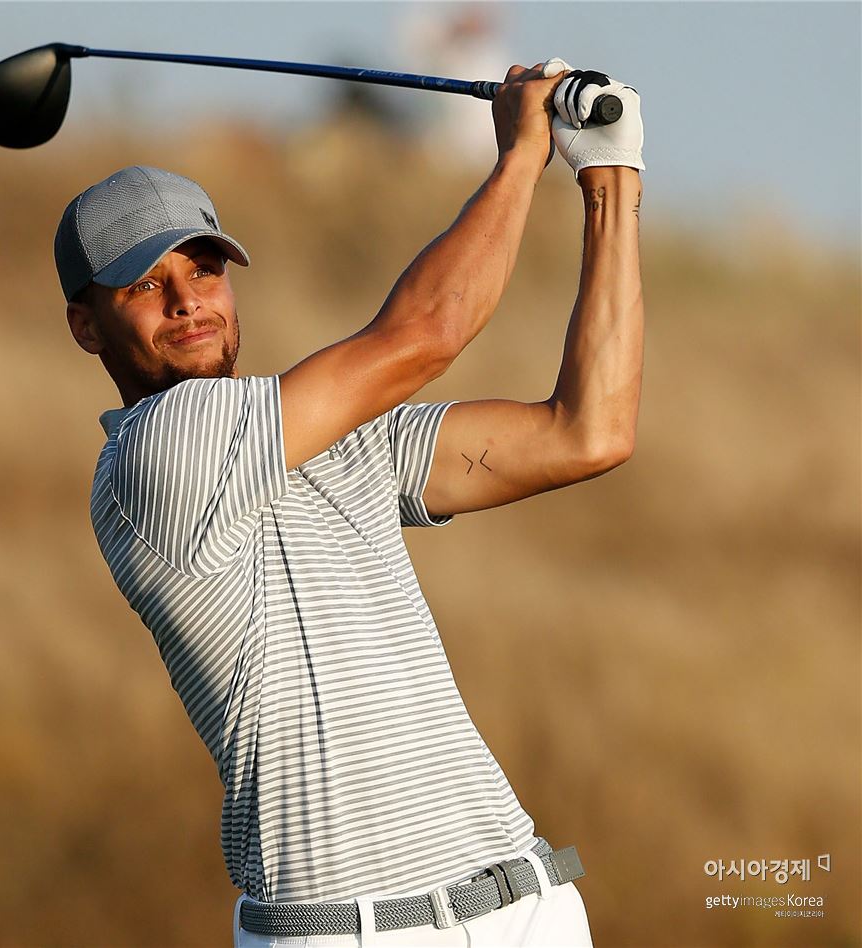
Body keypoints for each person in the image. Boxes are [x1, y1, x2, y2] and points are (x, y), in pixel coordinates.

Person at [56, 59, 644, 948]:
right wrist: (523, 153)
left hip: (526, 906)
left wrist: (609, 181)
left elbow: (587, 431)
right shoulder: (154, 456)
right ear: (85, 325)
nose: (186, 303)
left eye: (204, 270)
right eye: (143, 285)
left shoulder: (340, 440)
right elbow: (426, 333)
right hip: (348, 931)